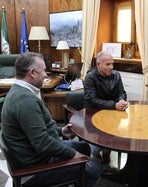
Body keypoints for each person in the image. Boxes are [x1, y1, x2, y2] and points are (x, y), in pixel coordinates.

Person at [1, 52, 102, 186]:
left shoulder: (19, 91)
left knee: (83, 147)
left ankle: (75, 179)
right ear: (32, 73)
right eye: (43, 70)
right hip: (33, 169)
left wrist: (61, 131)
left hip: (35, 154)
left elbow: (37, 129)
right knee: (94, 168)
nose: (46, 74)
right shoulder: (25, 101)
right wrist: (73, 155)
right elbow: (43, 143)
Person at [83, 51, 128, 163]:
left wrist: (121, 100)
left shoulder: (116, 75)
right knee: (97, 144)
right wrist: (114, 105)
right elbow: (92, 100)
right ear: (98, 64)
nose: (111, 67)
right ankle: (96, 154)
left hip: (112, 112)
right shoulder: (90, 77)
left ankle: (107, 152)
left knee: (114, 135)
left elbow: (122, 92)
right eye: (107, 64)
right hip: (93, 113)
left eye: (112, 64)